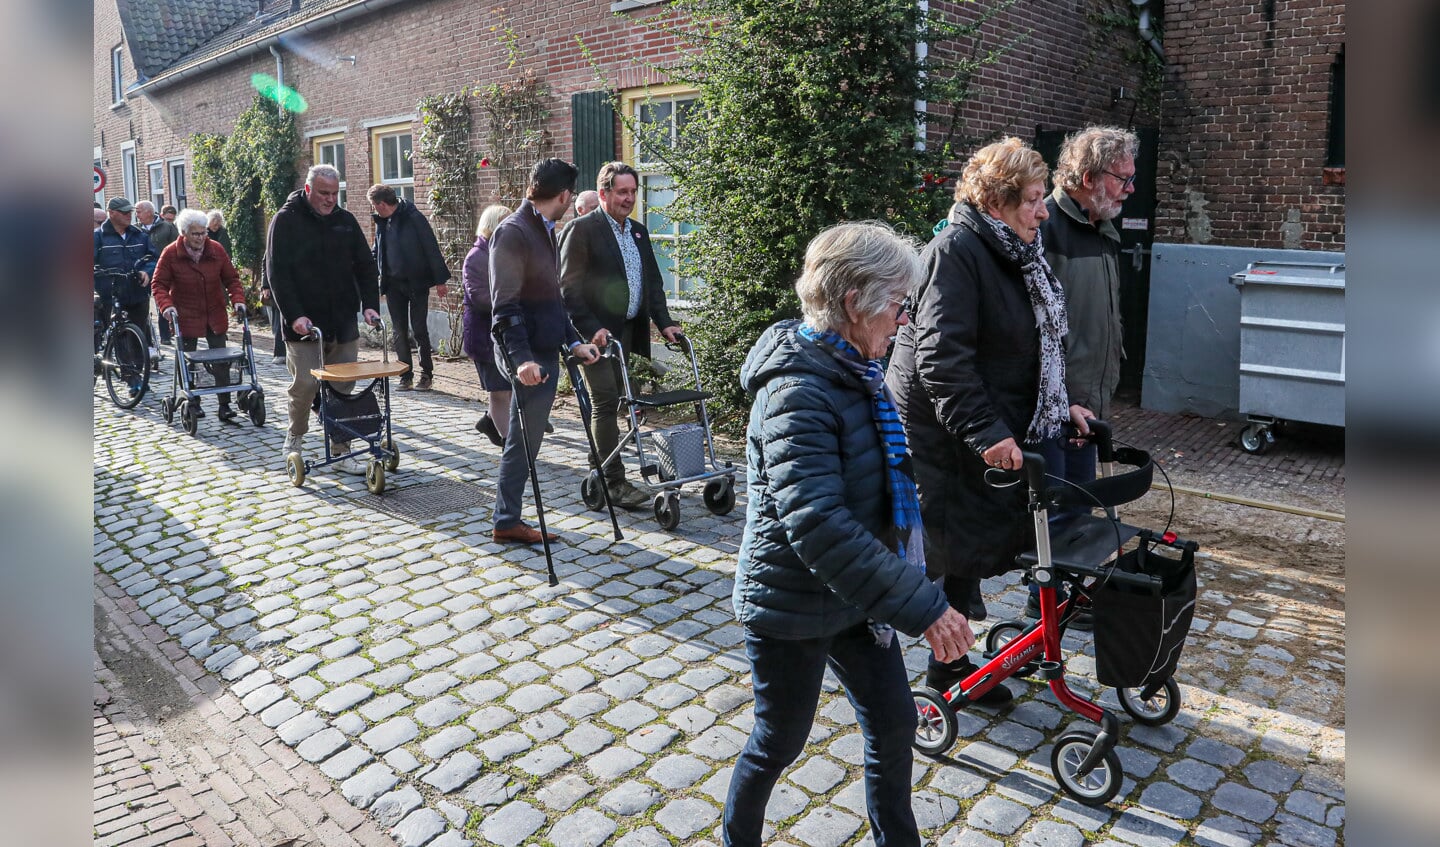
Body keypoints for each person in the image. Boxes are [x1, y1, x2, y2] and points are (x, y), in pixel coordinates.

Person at [725, 222, 975, 847]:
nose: (903, 319)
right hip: (792, 602)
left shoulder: (856, 371)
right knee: (777, 742)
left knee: (893, 727)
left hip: (859, 599)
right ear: (853, 302)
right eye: (897, 304)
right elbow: (818, 524)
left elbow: (881, 487)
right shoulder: (796, 392)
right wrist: (924, 606)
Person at [886, 137, 1091, 695]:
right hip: (944, 424)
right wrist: (986, 432)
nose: (1044, 210)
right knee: (953, 537)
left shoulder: (1017, 248)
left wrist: (1060, 400)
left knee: (968, 540)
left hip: (984, 415)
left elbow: (1037, 343)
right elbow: (941, 357)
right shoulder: (958, 251)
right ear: (996, 202)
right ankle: (942, 668)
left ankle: (955, 661)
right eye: (1031, 199)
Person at [1019, 126, 1140, 623]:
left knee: (1082, 498)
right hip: (1060, 400)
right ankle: (1043, 596)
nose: (1130, 190)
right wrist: (1063, 396)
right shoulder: (1046, 230)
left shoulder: (1102, 226)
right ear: (1089, 177)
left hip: (1090, 392)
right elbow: (1036, 329)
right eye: (1122, 180)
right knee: (1060, 502)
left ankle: (1067, 589)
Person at [489, 158, 599, 545]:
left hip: (544, 350)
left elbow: (551, 299)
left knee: (528, 438)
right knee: (524, 440)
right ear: (566, 195)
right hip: (527, 355)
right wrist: (522, 360)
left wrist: (573, 341)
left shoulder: (544, 229)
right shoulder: (513, 233)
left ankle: (507, 518)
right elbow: (505, 308)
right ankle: (507, 521)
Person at [559, 161, 681, 509]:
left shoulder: (638, 232)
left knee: (619, 401)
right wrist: (589, 329)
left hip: (625, 333)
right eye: (622, 192)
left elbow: (652, 284)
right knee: (605, 402)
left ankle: (601, 466)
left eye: (633, 192)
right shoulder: (582, 230)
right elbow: (568, 289)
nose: (629, 198)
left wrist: (665, 322)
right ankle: (612, 481)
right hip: (593, 336)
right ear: (603, 193)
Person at [265, 164, 381, 473]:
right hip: (304, 324)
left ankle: (341, 447)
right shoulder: (285, 221)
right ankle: (295, 436)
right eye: (323, 193)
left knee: (344, 386)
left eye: (334, 193)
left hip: (342, 319)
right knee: (305, 384)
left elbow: (366, 266)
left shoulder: (345, 221)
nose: (330, 200)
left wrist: (370, 305)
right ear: (308, 190)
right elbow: (278, 273)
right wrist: (294, 315)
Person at [151, 209, 246, 421]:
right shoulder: (170, 253)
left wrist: (238, 299)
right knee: (186, 360)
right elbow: (159, 284)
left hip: (214, 313)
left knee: (221, 359)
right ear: (184, 233)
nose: (201, 238)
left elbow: (232, 278)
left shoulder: (216, 249)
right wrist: (166, 306)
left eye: (203, 233)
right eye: (195, 234)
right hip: (185, 314)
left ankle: (225, 405)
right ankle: (192, 401)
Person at [368, 184, 451, 391]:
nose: (374, 210)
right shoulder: (382, 222)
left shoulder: (413, 217)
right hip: (394, 284)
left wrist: (440, 280)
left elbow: (430, 246)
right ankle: (406, 375)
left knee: (419, 329)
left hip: (416, 282)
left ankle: (426, 374)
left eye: (374, 206)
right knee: (399, 330)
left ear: (383, 204)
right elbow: (378, 249)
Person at [462, 204, 513, 447]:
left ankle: (489, 422)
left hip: (505, 334)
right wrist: (513, 300)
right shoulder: (476, 257)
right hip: (485, 336)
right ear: (493, 226)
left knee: (509, 388)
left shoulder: (503, 252)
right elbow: (480, 298)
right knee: (500, 390)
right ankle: (508, 442)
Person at [93, 197, 157, 351]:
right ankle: (127, 372)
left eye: (130, 212)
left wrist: (147, 271)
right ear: (112, 213)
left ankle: (138, 369)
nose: (129, 215)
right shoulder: (97, 237)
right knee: (120, 336)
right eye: (124, 212)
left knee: (139, 336)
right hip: (111, 295)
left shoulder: (140, 235)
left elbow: (154, 257)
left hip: (138, 293)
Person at [137, 200, 180, 348]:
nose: (136, 215)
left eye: (139, 211)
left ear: (149, 212)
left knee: (163, 302)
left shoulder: (167, 227)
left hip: (164, 272)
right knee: (142, 304)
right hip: (143, 273)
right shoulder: (135, 229)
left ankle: (165, 335)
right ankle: (145, 337)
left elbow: (178, 246)